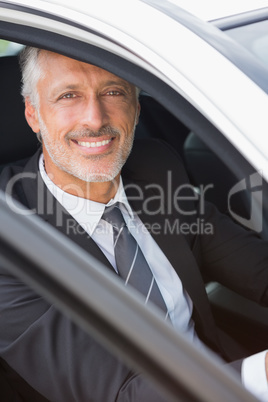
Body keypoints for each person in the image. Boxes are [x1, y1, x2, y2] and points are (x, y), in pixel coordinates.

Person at [0, 46, 268, 402]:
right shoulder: (10, 240)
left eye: (113, 92)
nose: (95, 119)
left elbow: (257, 267)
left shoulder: (157, 167)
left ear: (136, 109)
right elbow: (120, 394)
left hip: (225, 368)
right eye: (68, 95)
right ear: (33, 115)